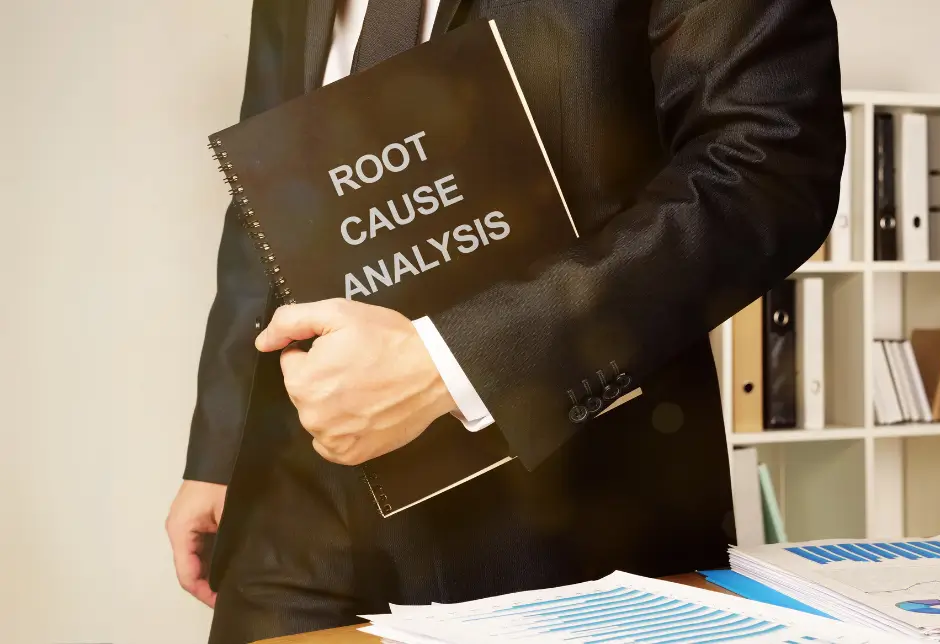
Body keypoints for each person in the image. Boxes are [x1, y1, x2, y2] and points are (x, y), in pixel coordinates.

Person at [165, 0, 845, 642]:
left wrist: (452, 362)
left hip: (564, 497)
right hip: (295, 488)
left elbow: (766, 163)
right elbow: (270, 187)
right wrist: (219, 451)